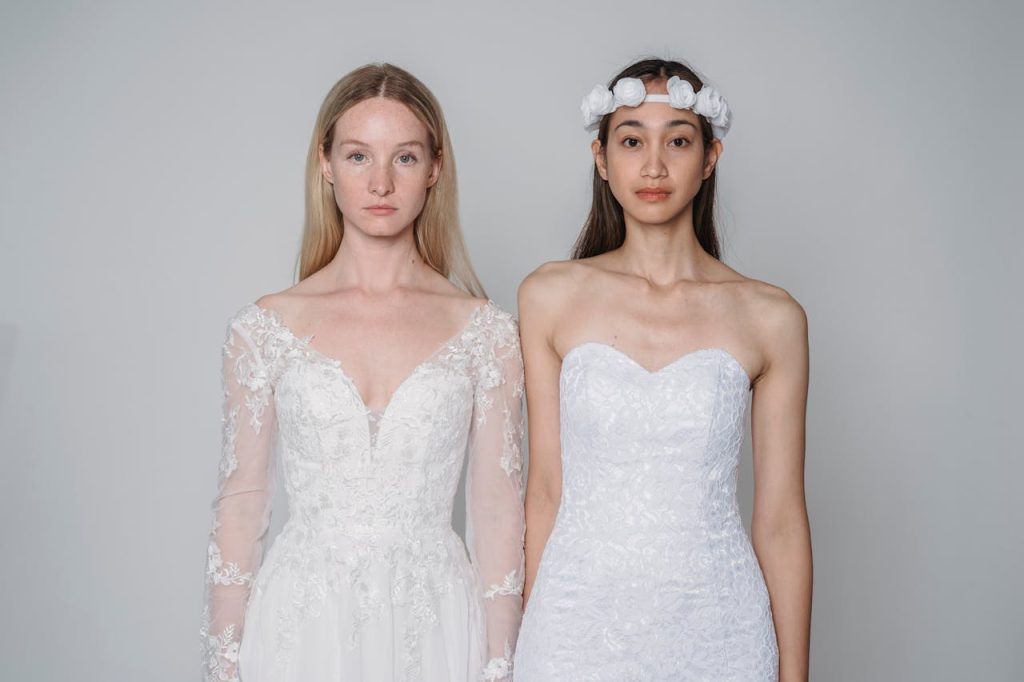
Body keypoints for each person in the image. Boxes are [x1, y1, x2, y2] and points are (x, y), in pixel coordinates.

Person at [200, 63, 525, 682]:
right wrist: (223, 667)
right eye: (357, 156)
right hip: (303, 625)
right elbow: (240, 509)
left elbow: (497, 515)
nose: (381, 182)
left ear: (434, 169)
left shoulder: (486, 335)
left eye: (404, 158)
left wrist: (500, 665)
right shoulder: (263, 330)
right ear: (325, 164)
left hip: (435, 623)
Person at [513, 58, 812, 681]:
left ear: (710, 158)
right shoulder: (549, 296)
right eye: (631, 142)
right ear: (601, 158)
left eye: (677, 141)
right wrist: (531, 640)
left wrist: (795, 675)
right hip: (575, 628)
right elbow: (545, 490)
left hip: (720, 630)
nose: (654, 166)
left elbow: (782, 519)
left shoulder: (771, 317)